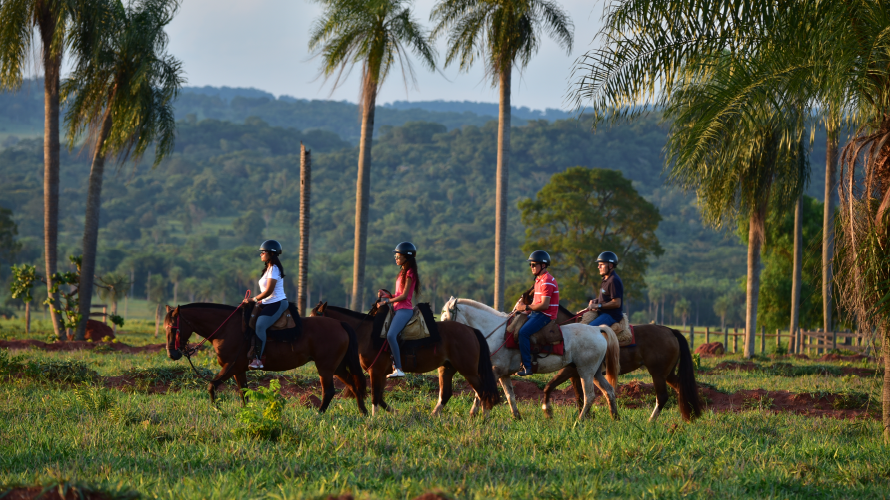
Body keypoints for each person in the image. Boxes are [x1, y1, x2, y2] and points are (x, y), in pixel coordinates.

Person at [376, 242, 421, 378]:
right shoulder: (402, 272)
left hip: (404, 310)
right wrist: (387, 295)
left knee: (390, 335)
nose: (395, 258)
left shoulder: (410, 272)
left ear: (406, 257)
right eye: (395, 255)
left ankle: (399, 368)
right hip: (397, 309)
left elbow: (405, 296)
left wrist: (386, 301)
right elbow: (399, 294)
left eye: (398, 255)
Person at [243, 240, 288, 370]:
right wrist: (261, 301)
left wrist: (253, 299)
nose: (261, 254)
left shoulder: (274, 269)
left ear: (271, 253)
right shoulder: (268, 268)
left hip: (278, 302)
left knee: (260, 325)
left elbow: (269, 291)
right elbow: (266, 293)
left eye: (263, 252)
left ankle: (258, 359)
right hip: (268, 301)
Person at [514, 250, 559, 376]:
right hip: (537, 313)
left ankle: (527, 367)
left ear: (543, 265)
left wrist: (525, 307)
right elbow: (536, 302)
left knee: (523, 332)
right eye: (530, 265)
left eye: (534, 265)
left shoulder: (547, 281)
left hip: (545, 315)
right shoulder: (539, 280)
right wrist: (525, 310)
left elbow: (544, 305)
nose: (531, 267)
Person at [587, 251, 624, 327]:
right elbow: (606, 298)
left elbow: (616, 303)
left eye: (601, 265)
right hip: (602, 312)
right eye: (598, 265)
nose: (598, 267)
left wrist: (597, 306)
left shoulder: (613, 280)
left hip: (611, 315)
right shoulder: (605, 279)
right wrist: (596, 301)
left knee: (589, 328)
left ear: (610, 266)